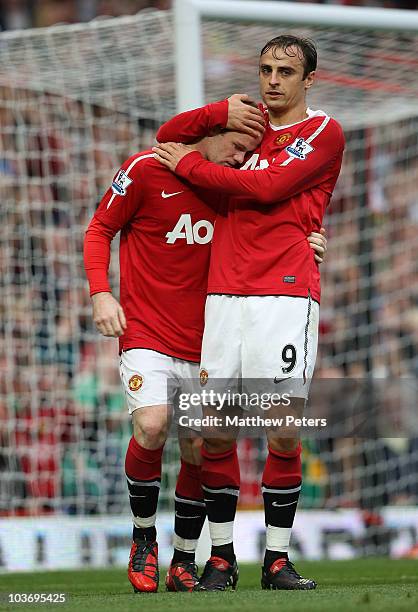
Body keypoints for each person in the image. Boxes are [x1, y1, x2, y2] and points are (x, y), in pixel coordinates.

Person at [84, 97, 328, 593]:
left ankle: (184, 558)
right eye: (238, 146)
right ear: (215, 130)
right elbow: (99, 229)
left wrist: (307, 241)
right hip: (148, 331)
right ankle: (144, 538)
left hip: (210, 337)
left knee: (199, 447)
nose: (241, 159)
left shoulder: (233, 191)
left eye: (248, 153)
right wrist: (100, 293)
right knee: (152, 426)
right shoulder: (146, 170)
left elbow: (278, 229)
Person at [154, 34, 345, 591]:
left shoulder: (321, 132)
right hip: (222, 295)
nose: (273, 80)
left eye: (286, 71)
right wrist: (215, 114)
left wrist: (192, 167)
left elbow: (266, 187)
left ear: (309, 79)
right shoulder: (247, 122)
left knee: (281, 429)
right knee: (214, 429)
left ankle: (278, 559)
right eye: (266, 69)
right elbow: (167, 138)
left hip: (284, 295)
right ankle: (221, 557)